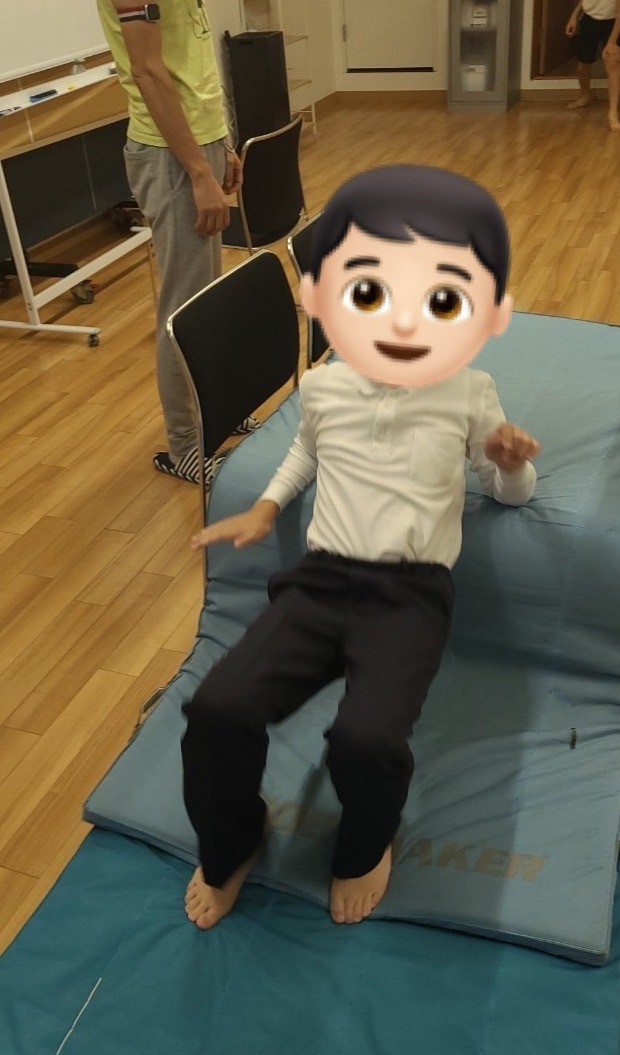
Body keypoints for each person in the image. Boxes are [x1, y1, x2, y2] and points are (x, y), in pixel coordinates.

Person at [180, 164, 542, 930]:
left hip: (409, 597)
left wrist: (509, 464)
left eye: (439, 301)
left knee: (366, 737)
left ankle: (365, 844)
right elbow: (307, 451)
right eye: (371, 293)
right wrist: (266, 506)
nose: (403, 324)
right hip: (319, 584)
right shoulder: (325, 386)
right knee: (216, 708)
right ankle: (233, 838)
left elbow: (510, 490)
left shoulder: (467, 390)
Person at [96, 1, 248, 484]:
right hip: (171, 155)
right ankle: (185, 447)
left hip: (198, 143)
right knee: (183, 309)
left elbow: (191, 58)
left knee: (207, 299)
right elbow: (147, 71)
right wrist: (199, 171)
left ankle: (219, 410)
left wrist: (219, 143)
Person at [565, 0, 620, 132]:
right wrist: (574, 16)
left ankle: (613, 113)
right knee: (583, 65)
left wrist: (612, 42)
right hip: (589, 20)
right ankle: (585, 96)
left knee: (613, 62)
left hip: (612, 23)